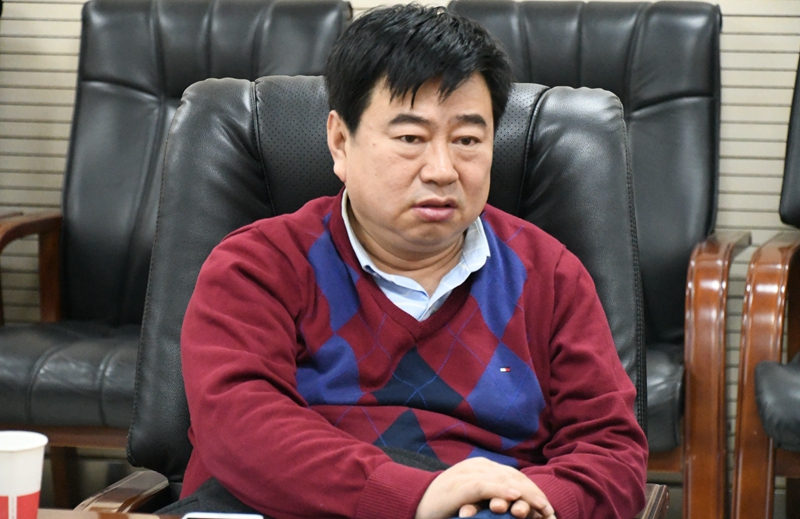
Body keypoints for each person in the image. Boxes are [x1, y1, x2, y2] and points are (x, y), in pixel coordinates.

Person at [177, 4, 648, 519]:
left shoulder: (550, 276)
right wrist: (412, 497)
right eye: (410, 139)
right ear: (340, 142)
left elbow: (611, 452)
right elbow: (239, 426)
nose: (442, 170)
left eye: (467, 140)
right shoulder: (259, 265)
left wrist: (531, 506)